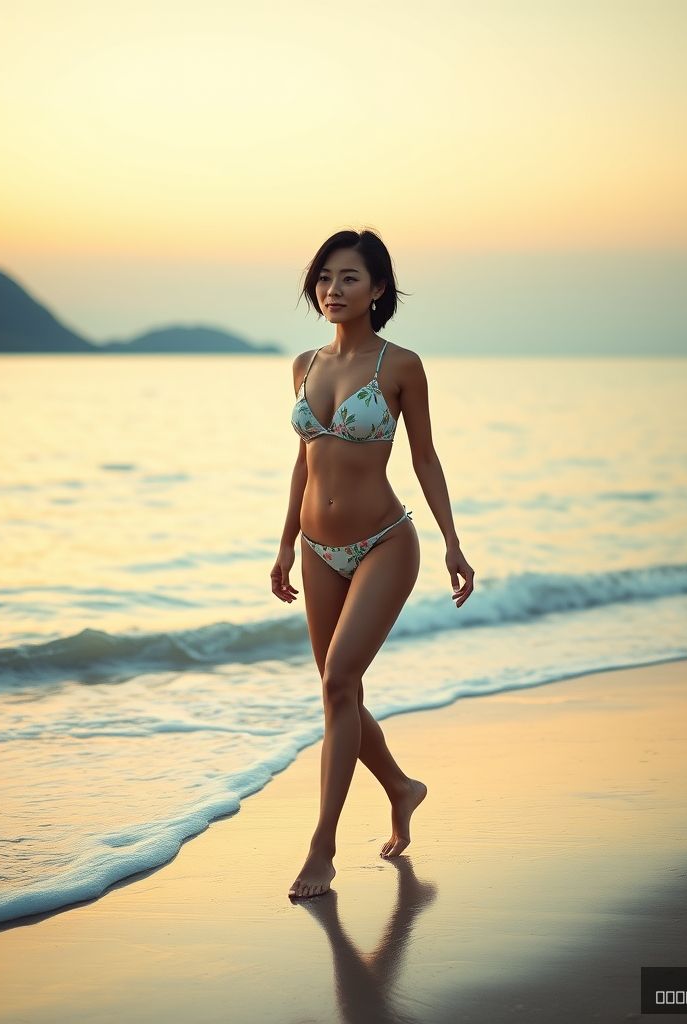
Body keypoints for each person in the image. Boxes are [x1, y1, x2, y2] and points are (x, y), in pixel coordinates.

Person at [271, 228, 474, 900]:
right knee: (340, 693)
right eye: (324, 277)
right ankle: (401, 787)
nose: (333, 289)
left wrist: (452, 541)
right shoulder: (303, 365)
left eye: (349, 277)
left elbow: (424, 458)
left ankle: (322, 848)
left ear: (378, 289)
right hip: (315, 548)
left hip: (385, 541)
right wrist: (281, 545)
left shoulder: (401, 366)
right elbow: (304, 464)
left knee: (337, 681)